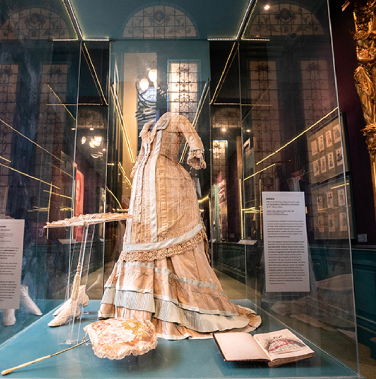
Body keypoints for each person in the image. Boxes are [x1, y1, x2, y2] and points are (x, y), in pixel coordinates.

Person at [98, 112, 260, 339]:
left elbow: (194, 140)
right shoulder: (146, 128)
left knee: (170, 237)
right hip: (142, 187)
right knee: (140, 238)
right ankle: (137, 307)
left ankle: (174, 306)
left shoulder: (175, 119)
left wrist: (196, 153)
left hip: (168, 182)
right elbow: (142, 157)